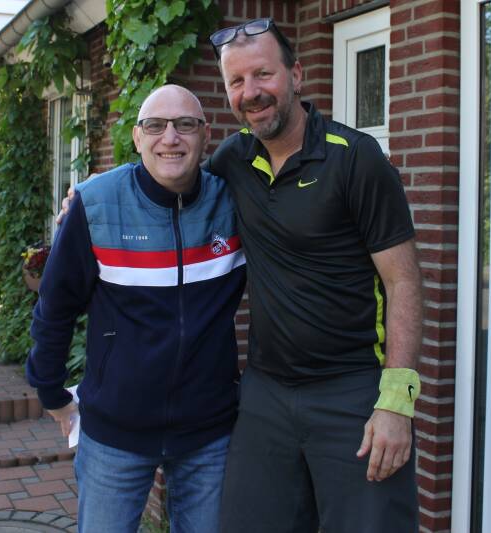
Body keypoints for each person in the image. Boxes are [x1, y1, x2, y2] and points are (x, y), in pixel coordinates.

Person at [205, 18, 423, 531]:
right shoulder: (233, 159)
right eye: (237, 81)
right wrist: (90, 198)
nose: (251, 92)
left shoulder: (356, 159)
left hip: (354, 395)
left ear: (296, 75)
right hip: (265, 395)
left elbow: (404, 281)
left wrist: (397, 404)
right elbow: (169, 183)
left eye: (263, 74)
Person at [26, 85, 246, 533]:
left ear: (205, 135)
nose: (171, 137)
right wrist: (51, 393)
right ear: (137, 136)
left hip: (208, 433)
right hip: (114, 434)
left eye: (185, 125)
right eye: (156, 125)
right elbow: (56, 305)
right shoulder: (97, 203)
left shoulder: (235, 202)